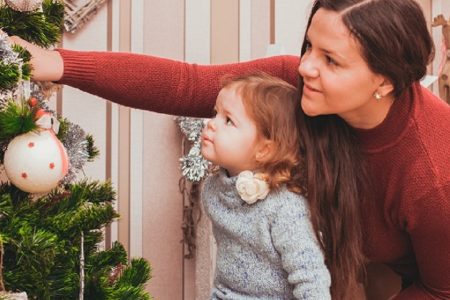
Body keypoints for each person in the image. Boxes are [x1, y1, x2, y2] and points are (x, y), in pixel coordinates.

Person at [8, 0, 450, 298]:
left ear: (385, 81)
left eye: (331, 60)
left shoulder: (434, 174)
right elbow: (189, 84)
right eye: (309, 47)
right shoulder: (296, 86)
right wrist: (59, 64)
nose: (306, 66)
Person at [199, 73, 330, 299]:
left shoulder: (285, 208)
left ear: (264, 150)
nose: (210, 124)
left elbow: (311, 277)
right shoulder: (214, 190)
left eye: (228, 120)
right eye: (215, 113)